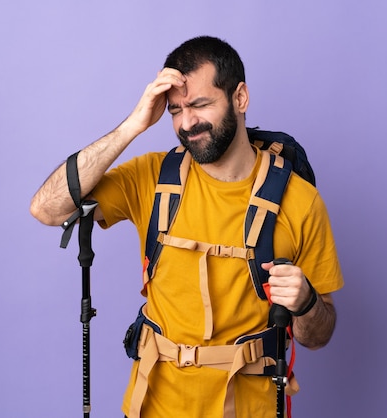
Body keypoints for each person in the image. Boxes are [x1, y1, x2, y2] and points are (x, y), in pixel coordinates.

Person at [30, 36, 344, 418]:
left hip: (250, 409)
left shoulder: (299, 201)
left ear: (240, 98)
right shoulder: (152, 177)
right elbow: (47, 208)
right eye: (175, 110)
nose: (186, 123)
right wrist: (133, 126)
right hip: (151, 405)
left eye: (199, 105)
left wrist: (305, 301)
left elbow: (319, 334)